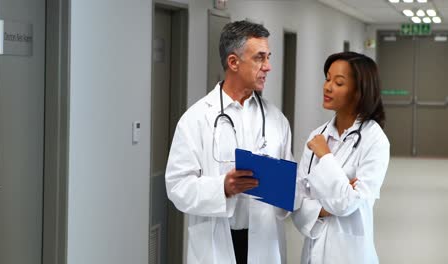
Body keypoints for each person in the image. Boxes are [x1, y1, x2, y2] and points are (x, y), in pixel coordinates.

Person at [165, 20, 293, 264]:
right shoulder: (196, 118)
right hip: (217, 242)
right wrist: (223, 187)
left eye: (268, 57)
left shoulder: (276, 119)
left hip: (264, 241)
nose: (268, 67)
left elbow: (290, 185)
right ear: (233, 62)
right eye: (259, 58)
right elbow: (177, 187)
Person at [291, 51, 390, 264]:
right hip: (313, 249)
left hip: (350, 253)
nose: (327, 87)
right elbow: (297, 199)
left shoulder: (374, 140)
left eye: (338, 83)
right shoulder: (318, 136)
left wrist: (325, 156)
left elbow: (348, 204)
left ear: (358, 92)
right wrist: (329, 205)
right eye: (327, 79)